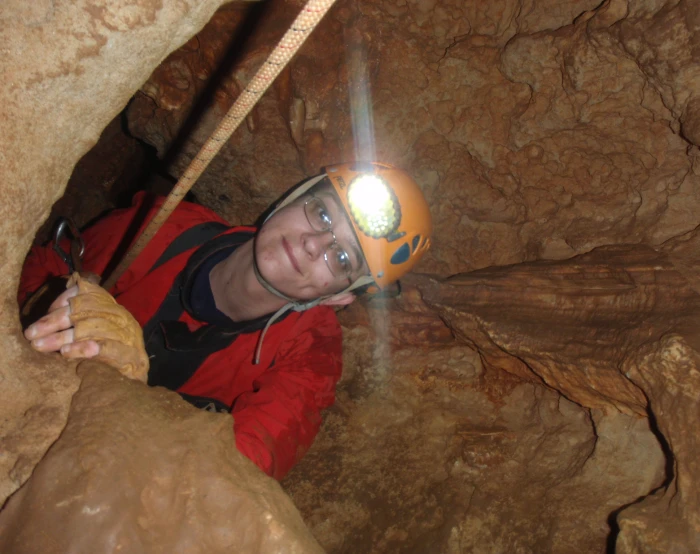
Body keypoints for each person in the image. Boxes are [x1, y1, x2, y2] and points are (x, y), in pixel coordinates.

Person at [18, 162, 432, 480]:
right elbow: (30, 271)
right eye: (321, 214)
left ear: (340, 295)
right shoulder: (162, 228)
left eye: (341, 258)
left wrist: (125, 384)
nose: (312, 243)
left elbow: (231, 474)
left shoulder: (308, 359)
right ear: (291, 198)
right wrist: (54, 297)